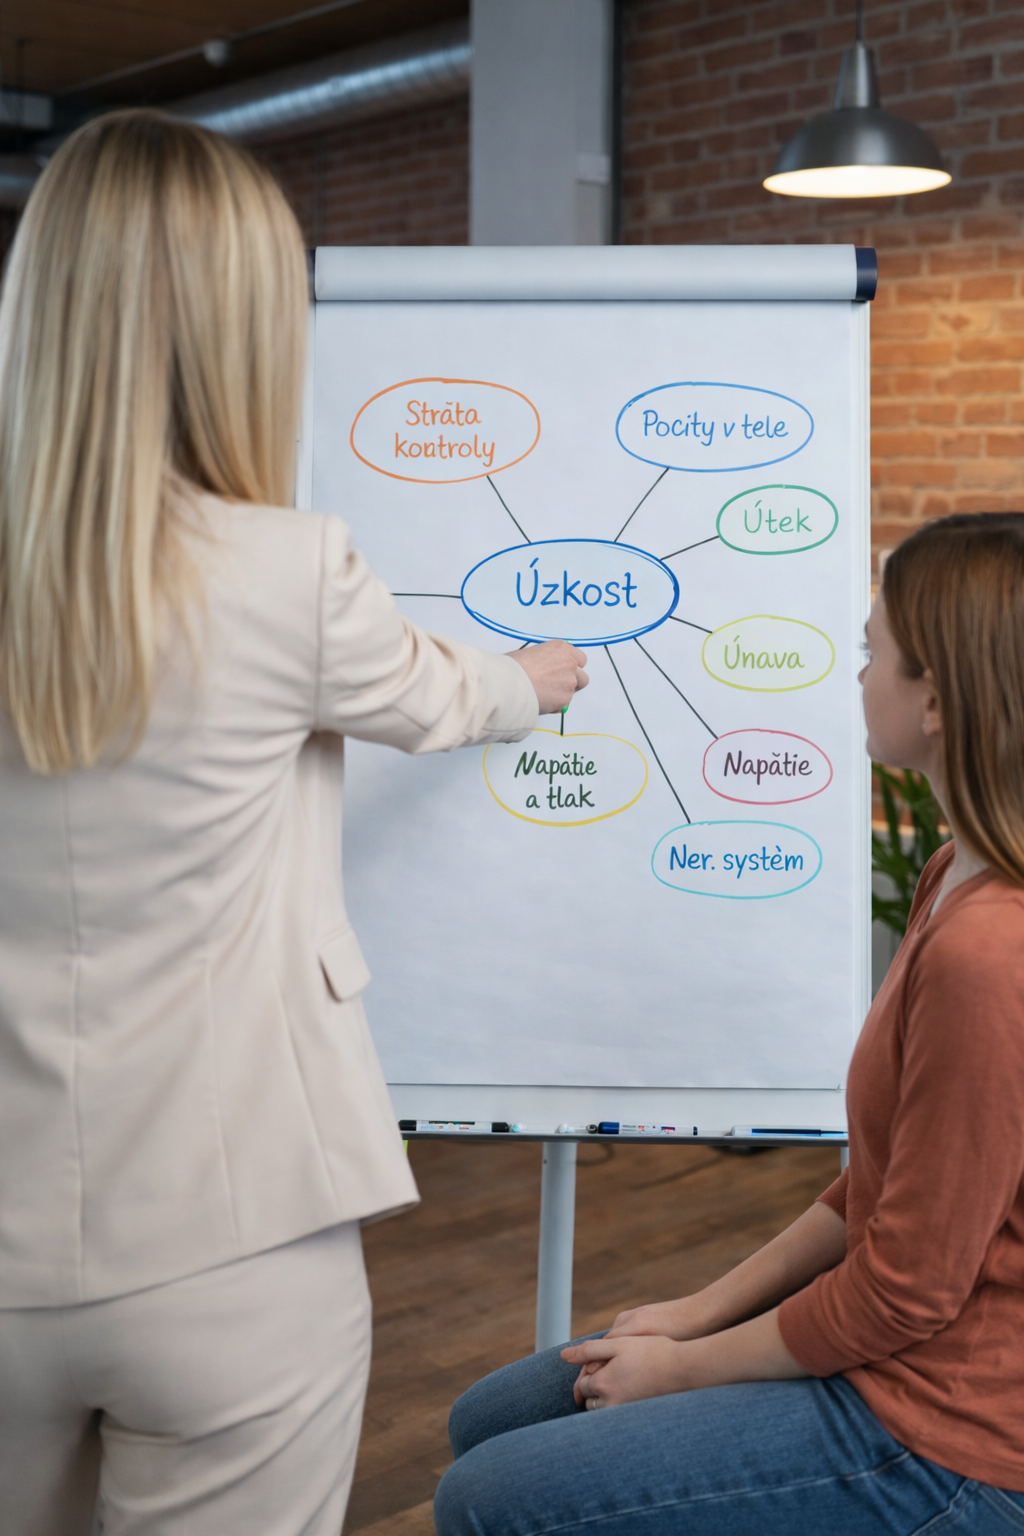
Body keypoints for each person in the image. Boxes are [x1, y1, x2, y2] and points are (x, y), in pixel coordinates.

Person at [0, 111, 587, 1535]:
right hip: (234, 1236)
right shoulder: (288, 570)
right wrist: (530, 679)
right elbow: (441, 694)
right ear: (243, 326)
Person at [435, 512, 1024, 1536]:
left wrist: (684, 1369)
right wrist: (697, 1311)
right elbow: (874, 1189)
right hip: (892, 1347)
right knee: (489, 1419)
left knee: (485, 1502)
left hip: (950, 1438)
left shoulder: (989, 952)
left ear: (935, 700)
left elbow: (904, 1294)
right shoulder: (948, 871)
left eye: (870, 653)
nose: (855, 676)